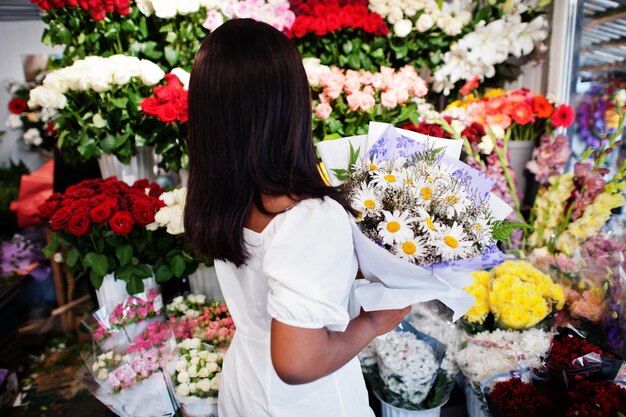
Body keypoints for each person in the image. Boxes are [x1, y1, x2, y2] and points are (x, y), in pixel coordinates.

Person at [184, 18, 410, 417]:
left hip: (246, 381)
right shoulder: (307, 216)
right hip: (307, 402)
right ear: (288, 105)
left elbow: (274, 278)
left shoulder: (224, 197)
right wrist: (373, 324)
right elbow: (297, 362)